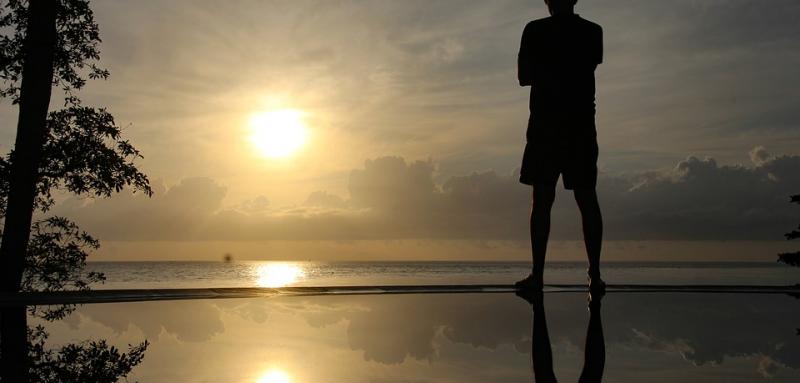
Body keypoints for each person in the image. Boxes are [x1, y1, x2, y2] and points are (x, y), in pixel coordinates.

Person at [515, 0, 605, 292]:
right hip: (575, 125)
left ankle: (540, 276)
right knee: (583, 199)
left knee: (546, 200)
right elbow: (577, 69)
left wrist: (548, 67)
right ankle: (593, 275)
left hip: (550, 126)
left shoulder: (537, 31)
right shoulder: (592, 32)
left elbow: (525, 75)